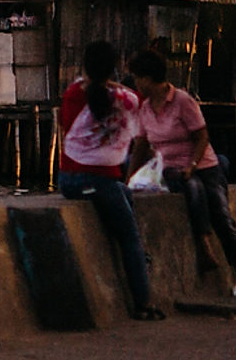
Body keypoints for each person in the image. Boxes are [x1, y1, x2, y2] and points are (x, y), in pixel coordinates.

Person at [57, 41, 164, 320]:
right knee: (130, 237)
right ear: (113, 69)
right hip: (101, 182)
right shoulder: (127, 99)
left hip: (69, 181)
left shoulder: (73, 94)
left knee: (122, 195)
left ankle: (140, 278)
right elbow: (140, 104)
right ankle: (142, 303)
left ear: (85, 66)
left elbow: (64, 124)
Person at [129, 49, 236, 277]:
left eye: (137, 78)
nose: (136, 83)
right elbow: (140, 146)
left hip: (204, 165)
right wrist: (128, 179)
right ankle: (204, 245)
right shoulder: (145, 109)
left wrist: (193, 165)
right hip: (171, 168)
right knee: (192, 186)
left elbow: (202, 137)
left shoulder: (182, 101)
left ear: (147, 79)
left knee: (222, 217)